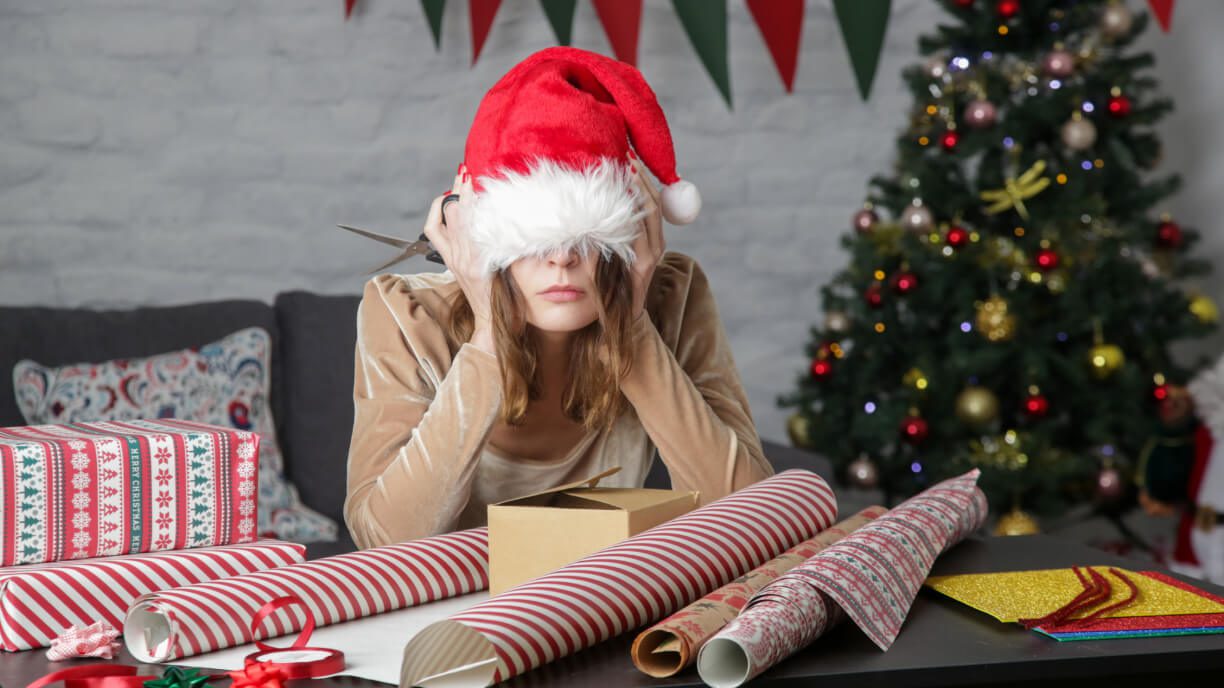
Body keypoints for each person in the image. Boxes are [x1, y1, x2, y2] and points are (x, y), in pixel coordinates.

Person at [343, 46, 773, 550]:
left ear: (629, 231)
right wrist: (488, 335)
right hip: (463, 599)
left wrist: (632, 326)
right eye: (532, 235)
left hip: (604, 592)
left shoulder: (671, 296)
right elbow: (382, 540)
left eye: (587, 233)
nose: (562, 259)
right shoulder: (405, 314)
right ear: (484, 235)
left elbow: (752, 519)